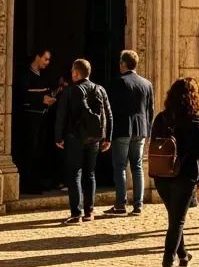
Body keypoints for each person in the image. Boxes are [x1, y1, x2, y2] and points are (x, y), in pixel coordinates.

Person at [150, 77, 199, 267]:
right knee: (177, 220)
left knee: (175, 217)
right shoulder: (196, 119)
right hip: (184, 176)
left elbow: (153, 145)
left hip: (162, 175)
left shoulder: (161, 117)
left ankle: (183, 255)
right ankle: (167, 266)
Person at [54, 58, 113, 224]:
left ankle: (76, 213)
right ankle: (89, 211)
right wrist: (107, 137)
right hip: (94, 139)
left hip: (75, 138)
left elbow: (61, 116)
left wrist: (58, 137)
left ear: (75, 73)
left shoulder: (70, 92)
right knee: (90, 174)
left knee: (75, 175)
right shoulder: (100, 90)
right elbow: (108, 115)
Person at [105, 50, 155, 217]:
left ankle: (120, 204)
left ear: (123, 64)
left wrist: (108, 131)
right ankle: (138, 204)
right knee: (137, 166)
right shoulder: (146, 84)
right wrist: (148, 129)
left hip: (122, 129)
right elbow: (150, 109)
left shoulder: (118, 82)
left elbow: (111, 109)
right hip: (140, 130)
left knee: (120, 166)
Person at [12, 47, 56, 194]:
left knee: (40, 151)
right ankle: (27, 184)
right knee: (29, 151)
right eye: (46, 58)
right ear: (37, 57)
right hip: (28, 120)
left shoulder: (44, 75)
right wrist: (40, 98)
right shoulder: (24, 74)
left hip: (43, 119)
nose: (47, 62)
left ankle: (38, 182)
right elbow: (22, 94)